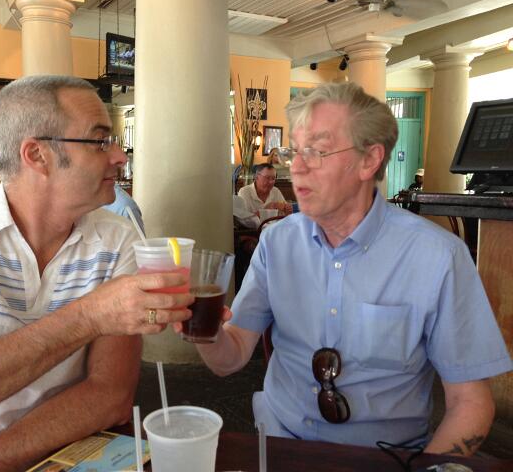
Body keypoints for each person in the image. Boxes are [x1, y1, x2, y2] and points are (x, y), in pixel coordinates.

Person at [0, 75, 193, 472]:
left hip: (30, 460)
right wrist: (88, 316)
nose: (119, 156)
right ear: (37, 154)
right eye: (100, 141)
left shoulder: (118, 240)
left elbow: (109, 394)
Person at [188, 82, 512, 455]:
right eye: (294, 151)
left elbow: (470, 403)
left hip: (385, 457)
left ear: (369, 160)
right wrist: (204, 328)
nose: (297, 167)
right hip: (280, 443)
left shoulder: (438, 257)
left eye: (317, 151)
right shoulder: (276, 243)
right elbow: (230, 358)